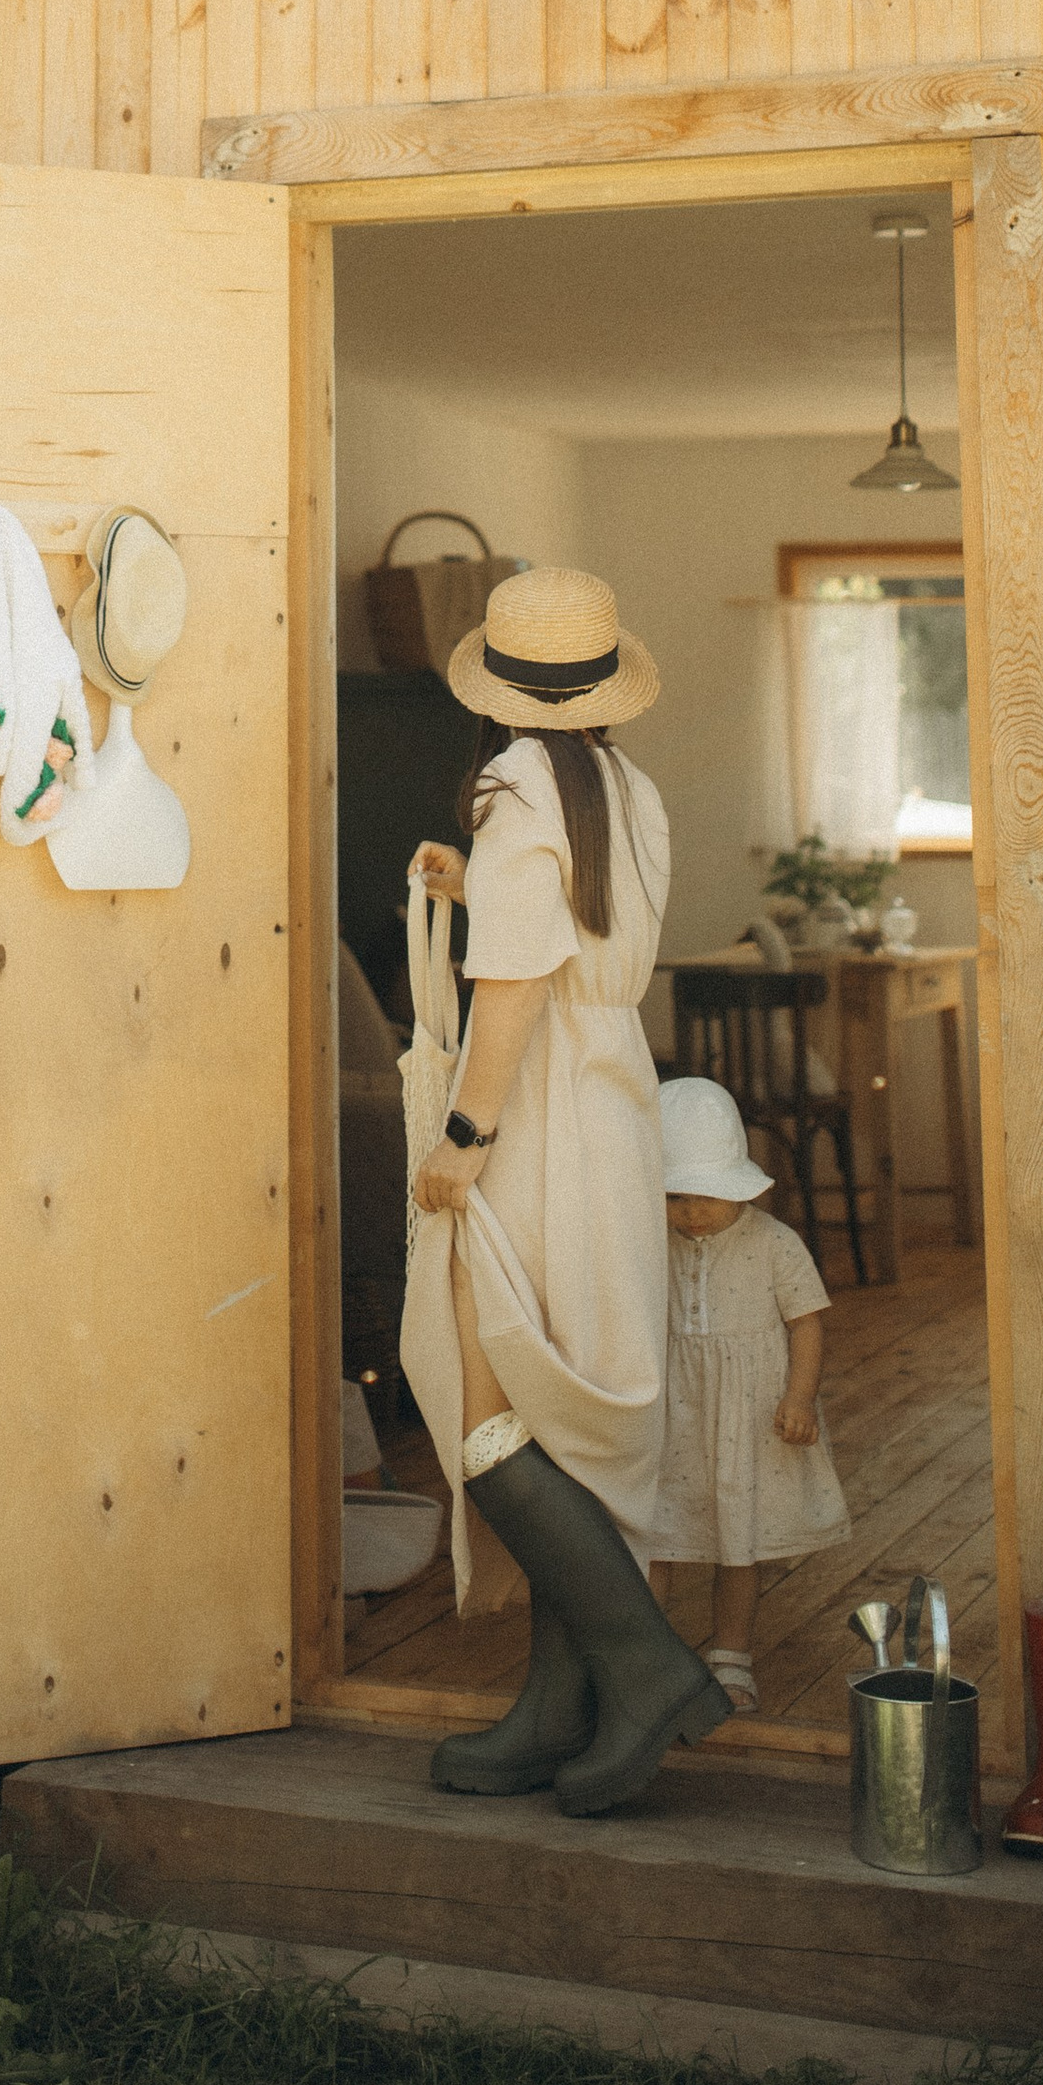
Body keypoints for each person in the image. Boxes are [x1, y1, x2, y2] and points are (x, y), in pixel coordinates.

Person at [401, 565, 726, 1815]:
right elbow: (575, 937)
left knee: (480, 1398)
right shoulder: (619, 786)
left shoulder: (513, 786)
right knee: (564, 1411)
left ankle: (646, 1670)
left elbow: (516, 986)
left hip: (532, 1112)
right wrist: (474, 882)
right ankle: (560, 1707)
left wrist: (464, 1134)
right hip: (611, 1100)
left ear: (497, 687)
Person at [647, 1077, 849, 1713]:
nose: (693, 1211)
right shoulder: (650, 1245)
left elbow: (806, 1323)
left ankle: (731, 1656)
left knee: (739, 1538)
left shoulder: (774, 1243)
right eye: (676, 1196)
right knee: (655, 1532)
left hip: (748, 1416)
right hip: (673, 1413)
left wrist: (800, 1397)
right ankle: (644, 1659)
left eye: (708, 1195)